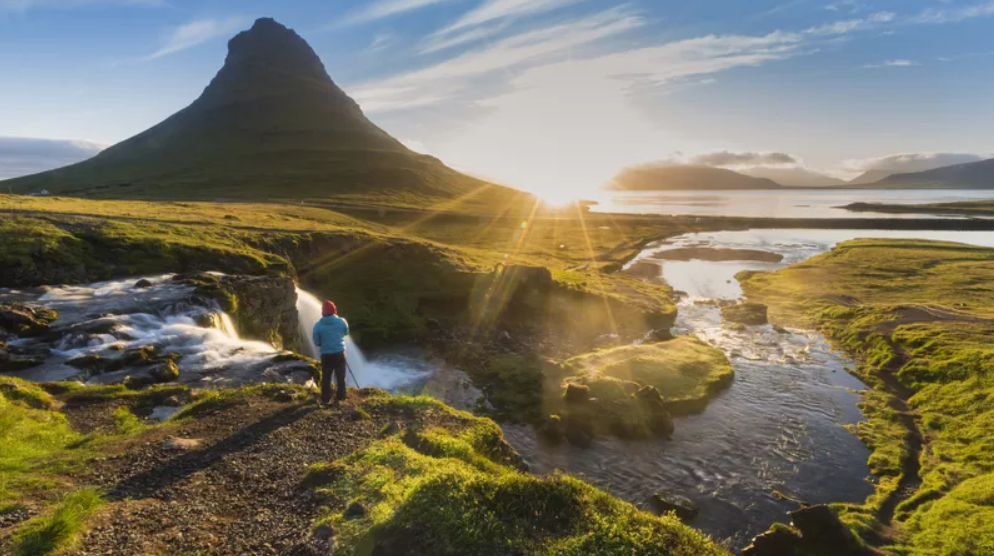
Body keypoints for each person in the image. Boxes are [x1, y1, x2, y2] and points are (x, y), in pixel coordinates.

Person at [312, 300, 349, 404]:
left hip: (326, 355)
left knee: (326, 377)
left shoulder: (318, 325)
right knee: (340, 376)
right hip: (339, 353)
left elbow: (317, 342)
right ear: (334, 310)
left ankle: (325, 398)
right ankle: (341, 397)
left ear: (322, 311)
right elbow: (346, 332)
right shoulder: (342, 321)